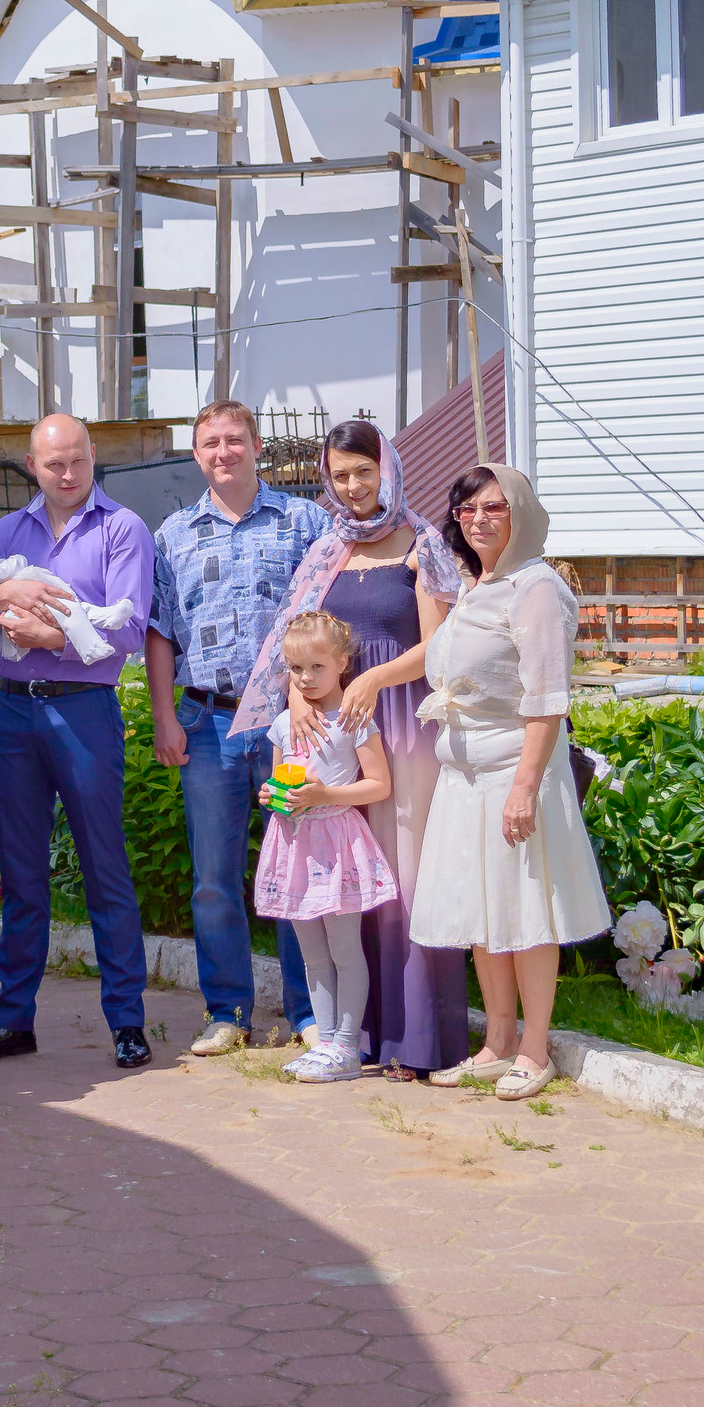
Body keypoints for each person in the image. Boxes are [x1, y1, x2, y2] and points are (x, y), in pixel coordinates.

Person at [229, 421, 467, 1079]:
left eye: (363, 471)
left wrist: (371, 677)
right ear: (327, 481)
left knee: (407, 880)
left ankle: (415, 1040)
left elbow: (437, 645)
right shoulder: (326, 549)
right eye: (340, 475)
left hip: (402, 730)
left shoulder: (421, 546)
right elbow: (297, 641)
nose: (354, 486)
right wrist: (300, 698)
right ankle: (351, 1035)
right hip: (332, 739)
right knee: (345, 887)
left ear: (386, 469)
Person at [0, 414, 156, 1072]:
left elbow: (130, 630)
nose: (66, 474)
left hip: (83, 710)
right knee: (21, 872)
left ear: (92, 457)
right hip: (12, 712)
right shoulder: (9, 531)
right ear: (32, 465)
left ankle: (126, 1020)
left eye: (77, 461)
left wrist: (52, 638)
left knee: (103, 868)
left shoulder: (122, 529)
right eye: (53, 464)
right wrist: (2, 590)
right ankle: (12, 1020)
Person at [410, 464, 611, 1101]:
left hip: (513, 773)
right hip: (463, 776)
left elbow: (548, 699)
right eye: (467, 510)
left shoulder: (537, 588)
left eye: (493, 508)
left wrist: (525, 788)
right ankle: (496, 1043)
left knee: (526, 916)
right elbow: (440, 670)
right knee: (481, 913)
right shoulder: (478, 585)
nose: (478, 520)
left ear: (520, 513)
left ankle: (533, 1047)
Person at [146, 400, 323, 1056]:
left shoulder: (304, 522)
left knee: (295, 866)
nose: (222, 452)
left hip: (288, 728)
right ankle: (227, 1012)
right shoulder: (172, 536)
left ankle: (309, 1011)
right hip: (207, 726)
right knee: (214, 878)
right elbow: (160, 632)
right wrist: (164, 716)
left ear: (256, 447)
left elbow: (330, 619)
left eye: (233, 440)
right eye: (209, 443)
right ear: (197, 454)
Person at [251, 610, 397, 1083]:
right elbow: (277, 786)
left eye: (317, 667)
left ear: (342, 663)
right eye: (297, 669)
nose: (307, 678)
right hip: (294, 847)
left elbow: (378, 785)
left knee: (345, 950)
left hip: (338, 846)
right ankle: (325, 1040)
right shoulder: (282, 724)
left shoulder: (355, 720)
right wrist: (273, 796)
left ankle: (348, 1048)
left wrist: (325, 795)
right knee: (311, 954)